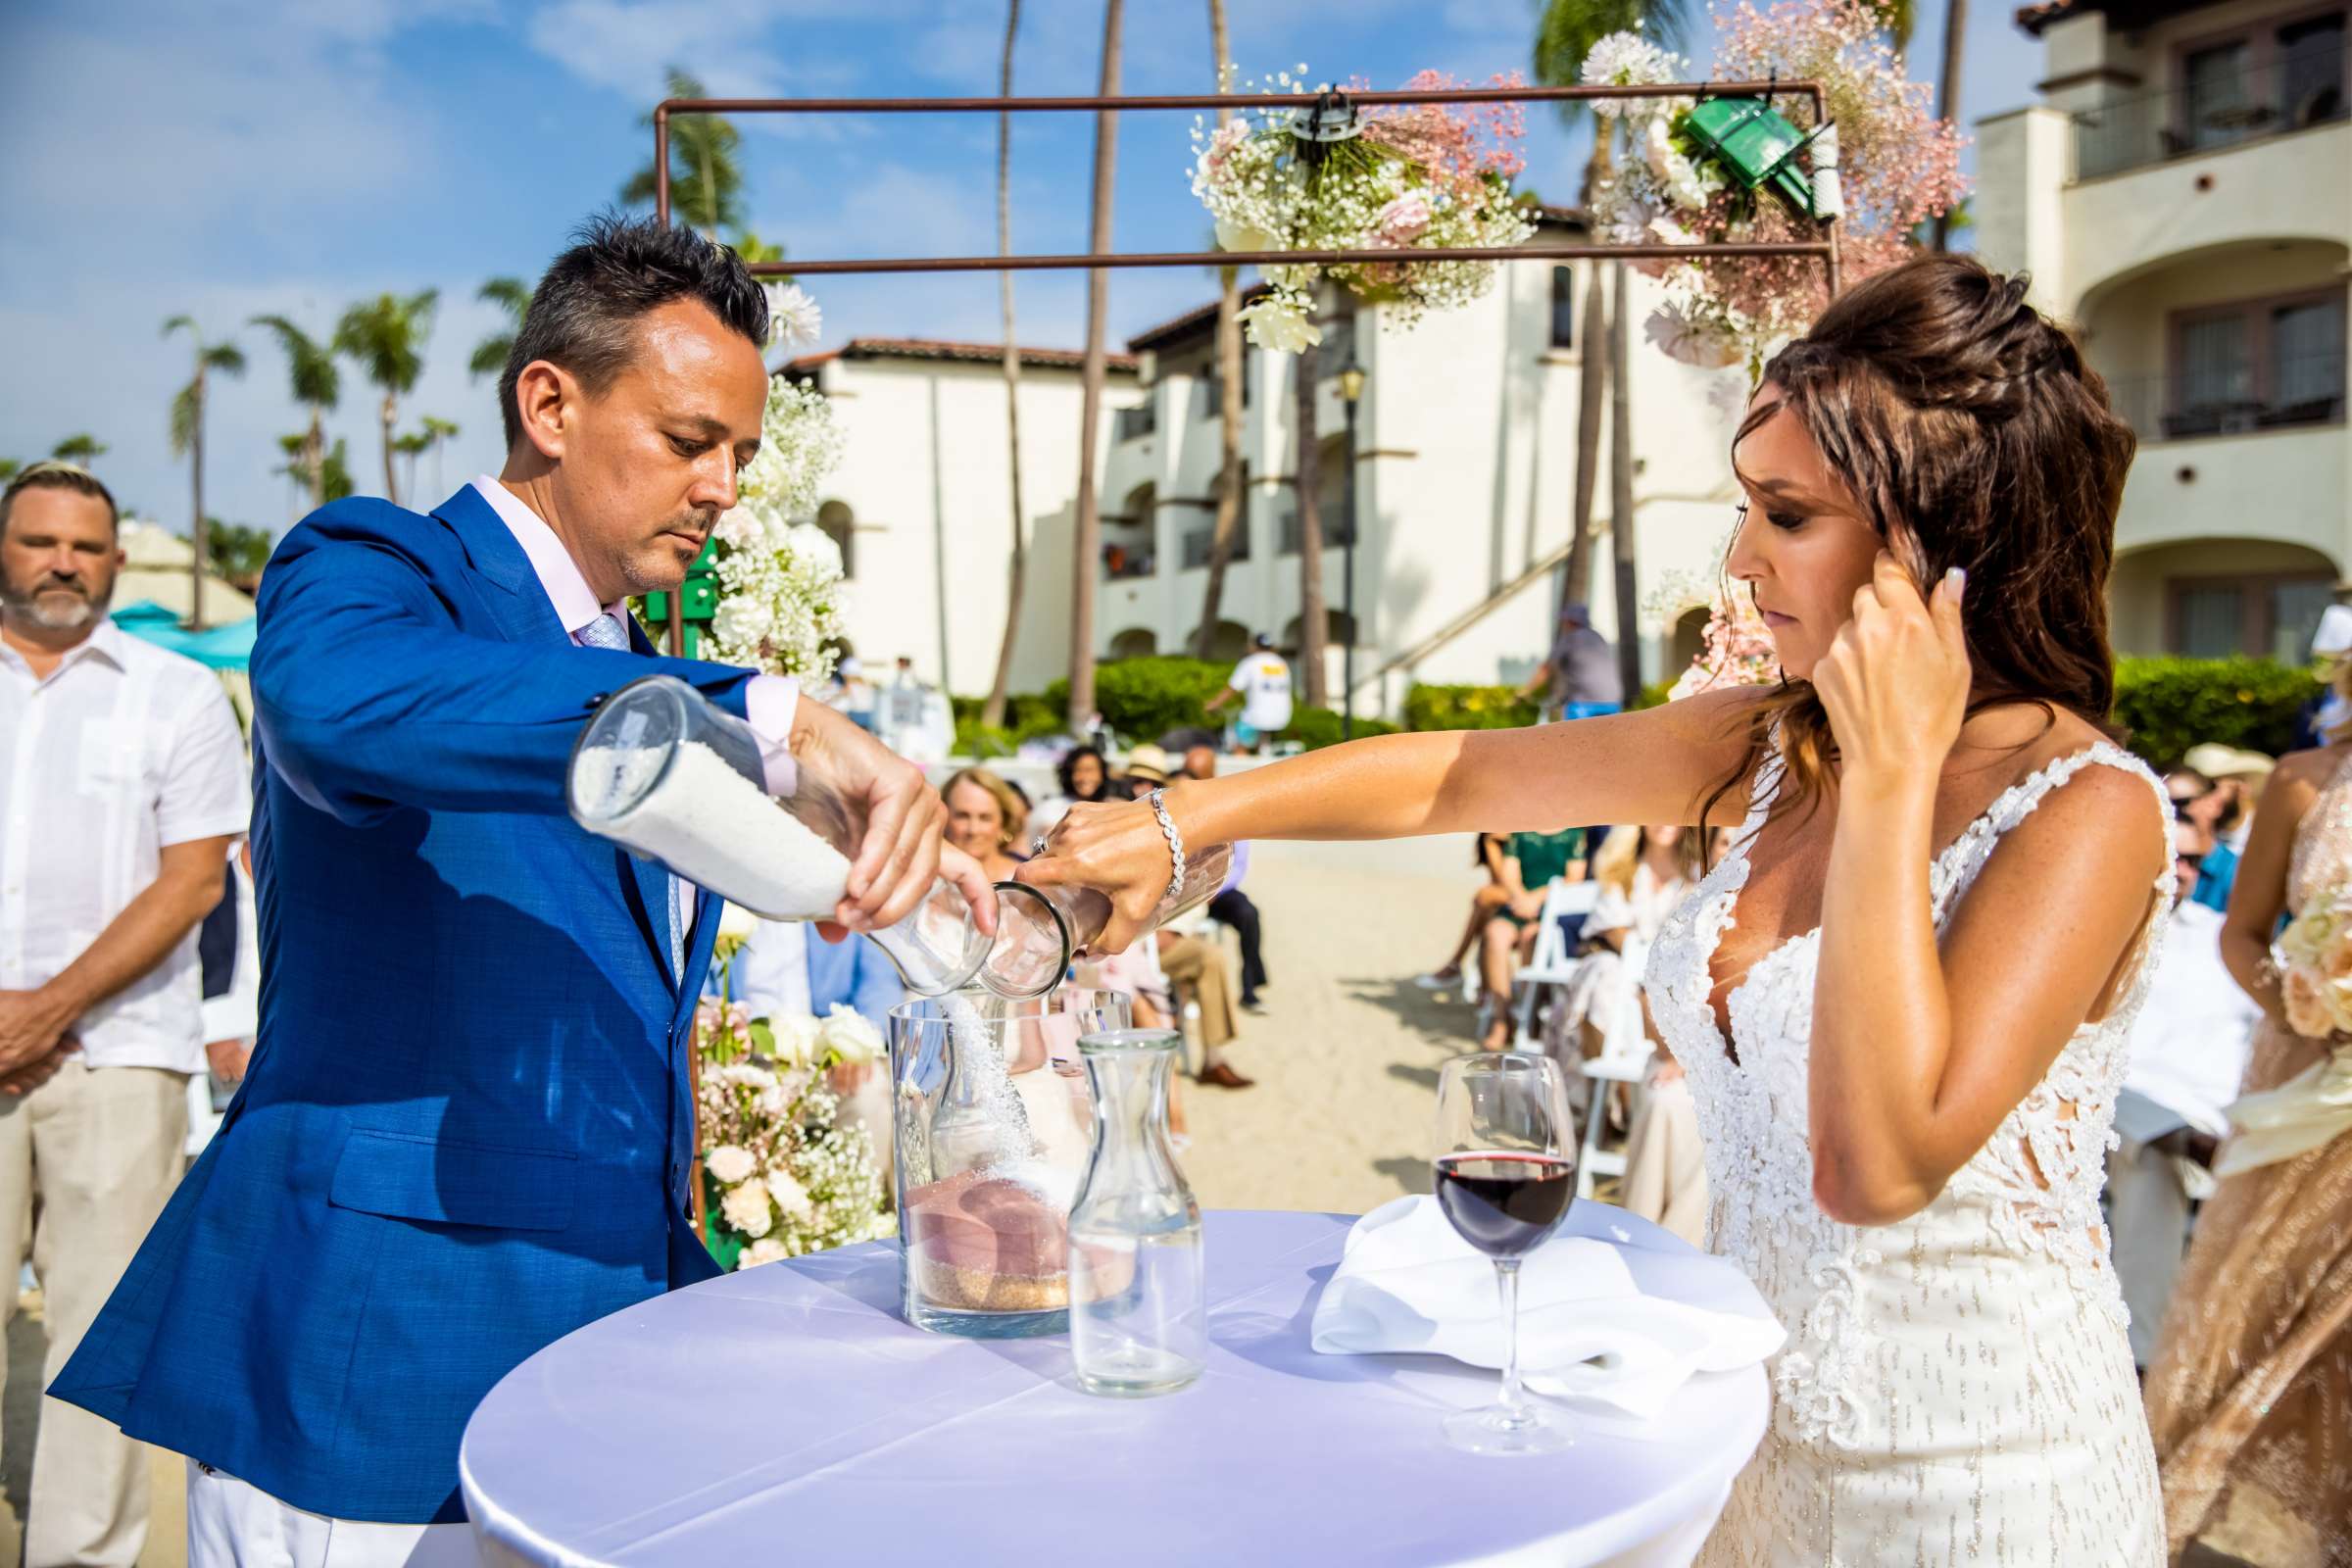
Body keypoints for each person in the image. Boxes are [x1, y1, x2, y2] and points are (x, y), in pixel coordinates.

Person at [1026, 257, 2173, 1562]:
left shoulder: (2087, 811)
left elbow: (1877, 1168)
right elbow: (1464, 775)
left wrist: (1897, 777)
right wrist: (1181, 819)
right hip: (1736, 1446)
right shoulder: (1768, 745)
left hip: (1990, 1485)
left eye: (1787, 516)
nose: (1741, 563)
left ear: (1942, 542)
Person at [52, 218, 984, 1560]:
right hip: (376, 1343)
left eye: (742, 454)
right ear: (549, 402)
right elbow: (334, 705)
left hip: (602, 1332)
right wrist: (775, 715)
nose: (723, 487)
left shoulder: (638, 661)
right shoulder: (379, 571)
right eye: (687, 441)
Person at [0, 462, 249, 1568]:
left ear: (113, 558)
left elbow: (195, 878)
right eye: (39, 540)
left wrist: (44, 1009)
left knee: (99, 1339)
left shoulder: (177, 690)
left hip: (119, 1057)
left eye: (85, 546)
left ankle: (78, 1558)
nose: (62, 562)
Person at [2143, 702, 2352, 1560]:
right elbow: (2243, 937)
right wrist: (2318, 1011)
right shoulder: (2308, 783)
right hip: (2305, 1089)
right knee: (2261, 1303)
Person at [2102, 822, 2257, 1370]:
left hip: (2210, 1130)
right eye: (2173, 857)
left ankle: (2144, 1357)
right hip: (2113, 1117)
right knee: (2151, 1149)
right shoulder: (2094, 934)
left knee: (2154, 1153)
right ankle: (2143, 1355)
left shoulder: (2225, 941)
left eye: (2195, 862)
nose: (2183, 872)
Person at [1477, 827, 1586, 1052]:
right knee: (1495, 933)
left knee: (1531, 937)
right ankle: (1501, 1015)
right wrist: (1521, 898)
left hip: (1550, 912)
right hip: (1517, 905)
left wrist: (1536, 899)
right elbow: (1509, 872)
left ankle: (1529, 1012)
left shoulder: (1574, 833)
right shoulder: (1521, 829)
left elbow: (1574, 878)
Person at [1184, 746, 1267, 1011]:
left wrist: (1212, 890)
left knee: (1248, 914)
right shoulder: (1175, 804)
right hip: (1181, 892)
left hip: (1218, 890)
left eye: (1196, 773)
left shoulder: (1229, 807)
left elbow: (1239, 862)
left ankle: (1250, 986)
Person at [1415, 835, 1511, 999]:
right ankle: (1483, 984)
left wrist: (1491, 843)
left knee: (1484, 900)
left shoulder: (1522, 836)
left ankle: (1458, 966)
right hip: (1514, 894)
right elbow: (1499, 880)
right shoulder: (1498, 839)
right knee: (1485, 906)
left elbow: (1505, 884)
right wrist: (1490, 844)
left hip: (1529, 896)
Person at [2178, 742, 2268, 912]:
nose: (2203, 796)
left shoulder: (2267, 839)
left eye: (2212, 786)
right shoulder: (2193, 840)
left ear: (2242, 789)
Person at [1517, 601, 1623, 722]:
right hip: (1612, 700)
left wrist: (1525, 691)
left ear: (1570, 621)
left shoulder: (1570, 639)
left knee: (1575, 738)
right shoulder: (1597, 636)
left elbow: (1546, 669)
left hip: (1583, 702)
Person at [1204, 633, 1292, 755]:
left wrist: (1214, 704)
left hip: (1256, 717)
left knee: (1237, 742)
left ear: (1254, 646)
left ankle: (1240, 766)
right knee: (1262, 744)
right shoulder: (1281, 663)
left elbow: (1233, 687)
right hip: (1282, 717)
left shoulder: (1250, 662)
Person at [943, 766, 1028, 883]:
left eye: (985, 818)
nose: (973, 830)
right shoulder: (927, 881)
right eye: (963, 816)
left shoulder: (1025, 881)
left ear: (1003, 823)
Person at [1026, 744, 1111, 839]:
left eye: (1090, 770)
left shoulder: (1112, 806)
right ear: (1069, 774)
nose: (1084, 777)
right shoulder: (1052, 809)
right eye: (1078, 770)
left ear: (1102, 773)